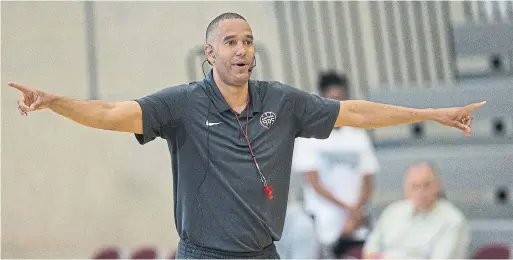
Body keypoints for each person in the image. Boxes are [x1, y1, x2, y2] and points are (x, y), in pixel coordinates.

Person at [8, 12, 484, 259]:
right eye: (231, 42)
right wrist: (57, 102)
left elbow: (355, 112)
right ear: (209, 52)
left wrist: (432, 112)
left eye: (249, 40)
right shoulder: (182, 104)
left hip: (262, 254)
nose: (242, 49)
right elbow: (112, 112)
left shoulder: (282, 100)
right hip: (202, 255)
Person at [292, 72, 379, 258]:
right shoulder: (309, 135)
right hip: (323, 217)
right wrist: (347, 210)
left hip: (357, 218)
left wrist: (356, 211)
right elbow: (314, 182)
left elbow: (368, 178)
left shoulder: (358, 134)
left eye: (340, 99)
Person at [363, 162, 470, 259]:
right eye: (414, 187)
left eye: (426, 185)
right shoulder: (393, 212)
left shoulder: (452, 220)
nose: (421, 192)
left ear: (438, 186)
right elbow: (369, 251)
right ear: (405, 189)